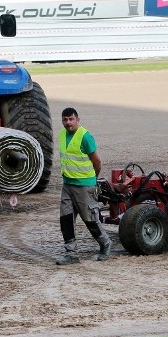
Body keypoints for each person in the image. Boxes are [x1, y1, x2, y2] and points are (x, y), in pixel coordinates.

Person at [56, 107, 112, 265]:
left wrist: (92, 179)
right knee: (65, 219)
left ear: (77, 120)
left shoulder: (85, 137)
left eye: (71, 119)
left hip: (84, 186)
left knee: (90, 219)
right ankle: (71, 253)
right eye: (65, 120)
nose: (68, 123)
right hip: (67, 185)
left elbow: (97, 162)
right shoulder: (61, 135)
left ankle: (106, 244)